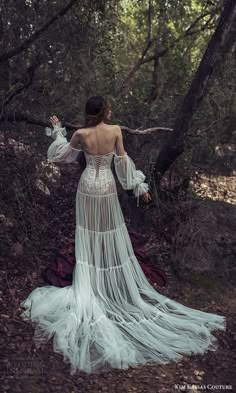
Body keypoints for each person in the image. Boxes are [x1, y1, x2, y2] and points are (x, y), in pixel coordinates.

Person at [20, 96, 226, 375]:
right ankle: (107, 283)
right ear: (104, 111)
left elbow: (61, 156)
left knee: (89, 234)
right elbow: (123, 164)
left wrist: (58, 132)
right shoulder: (115, 130)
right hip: (106, 187)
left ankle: (92, 284)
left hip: (87, 190)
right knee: (107, 232)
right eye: (108, 107)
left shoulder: (80, 134)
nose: (111, 109)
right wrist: (140, 188)